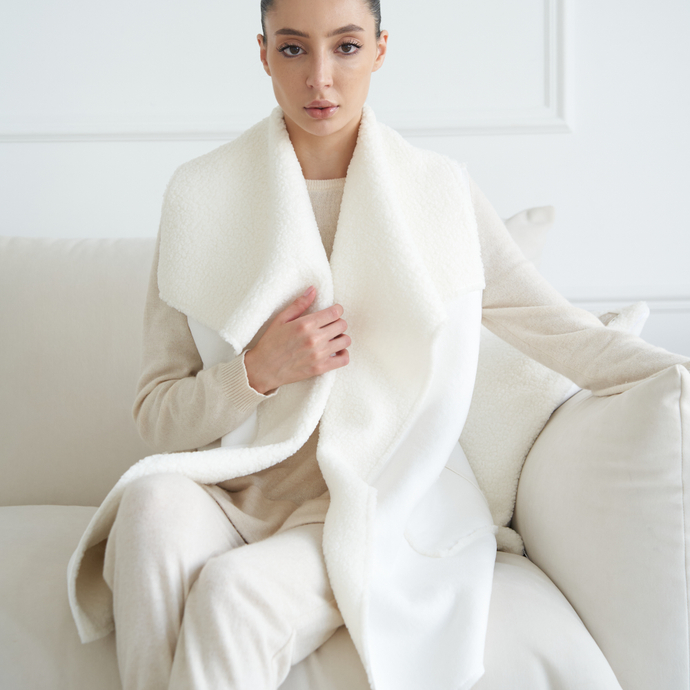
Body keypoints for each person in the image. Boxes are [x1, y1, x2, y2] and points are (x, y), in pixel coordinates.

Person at [67, 1, 690, 689]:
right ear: (264, 52)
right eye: (294, 49)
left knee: (231, 596)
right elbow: (158, 417)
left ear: (380, 51)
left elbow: (559, 331)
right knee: (148, 507)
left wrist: (676, 372)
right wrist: (256, 371)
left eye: (346, 47)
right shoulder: (199, 196)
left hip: (375, 497)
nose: (320, 78)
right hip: (235, 491)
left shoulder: (438, 193)